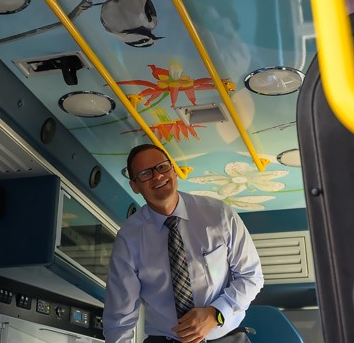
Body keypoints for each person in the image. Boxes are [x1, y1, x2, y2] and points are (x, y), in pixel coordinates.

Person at [104, 144, 265, 343]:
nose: (157, 176)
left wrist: (216, 313)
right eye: (145, 173)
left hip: (225, 336)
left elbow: (251, 276)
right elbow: (120, 317)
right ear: (135, 186)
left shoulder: (220, 215)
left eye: (162, 167)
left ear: (173, 170)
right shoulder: (129, 238)